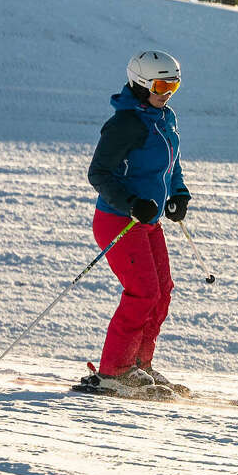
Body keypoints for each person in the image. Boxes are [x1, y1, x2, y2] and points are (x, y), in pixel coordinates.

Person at [82, 50, 193, 396]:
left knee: (162, 292)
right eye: (161, 85)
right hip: (119, 220)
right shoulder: (125, 124)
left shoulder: (165, 117)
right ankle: (114, 371)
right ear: (142, 84)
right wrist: (131, 203)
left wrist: (178, 193)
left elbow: (170, 163)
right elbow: (98, 173)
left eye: (174, 85)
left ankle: (139, 366)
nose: (167, 93)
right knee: (143, 292)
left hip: (148, 221)